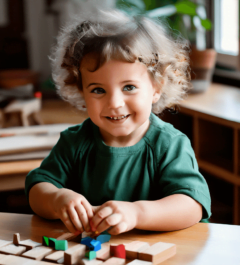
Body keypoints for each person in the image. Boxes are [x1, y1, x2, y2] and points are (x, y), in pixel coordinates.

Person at [25, 10, 211, 235]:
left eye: (129, 87)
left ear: (156, 88)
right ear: (81, 91)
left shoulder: (170, 144)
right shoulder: (74, 142)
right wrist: (57, 199)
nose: (114, 103)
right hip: (92, 260)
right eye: (98, 90)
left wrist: (137, 213)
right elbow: (37, 189)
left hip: (157, 258)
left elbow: (192, 205)